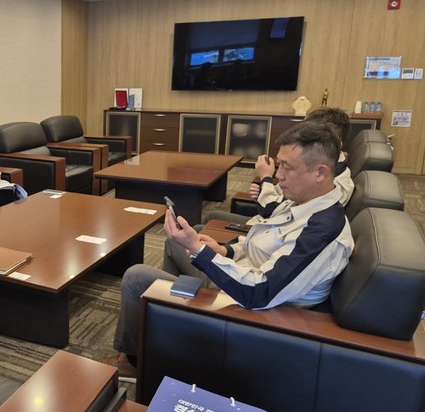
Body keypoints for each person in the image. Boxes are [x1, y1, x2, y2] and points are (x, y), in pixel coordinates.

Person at [108, 122, 354, 379]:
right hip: (238, 277)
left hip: (247, 308)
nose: (278, 175)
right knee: (174, 244)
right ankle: (171, 327)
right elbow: (260, 241)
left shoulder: (322, 232)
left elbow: (260, 293)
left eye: (287, 167)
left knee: (136, 278)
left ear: (320, 172)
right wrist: (224, 251)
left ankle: (136, 363)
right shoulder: (304, 202)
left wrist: (200, 250)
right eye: (278, 165)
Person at [208, 107, 354, 224]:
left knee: (210, 219)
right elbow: (283, 201)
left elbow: (271, 211)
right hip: (267, 226)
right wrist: (264, 191)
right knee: (212, 216)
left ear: (335, 142)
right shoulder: (324, 169)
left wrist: (266, 179)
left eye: (308, 137)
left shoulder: (333, 185)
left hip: (271, 230)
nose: (279, 175)